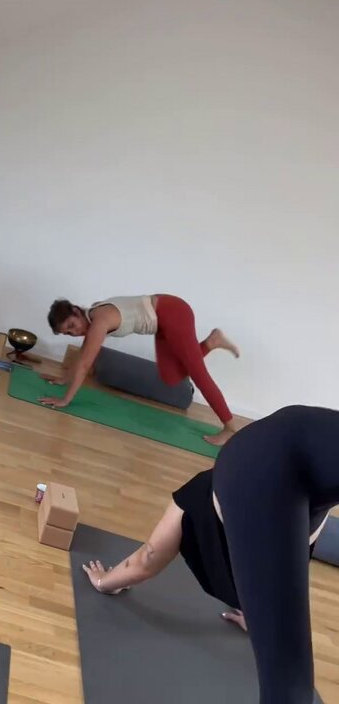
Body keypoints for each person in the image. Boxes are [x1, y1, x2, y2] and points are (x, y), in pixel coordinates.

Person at [82, 405, 337, 704]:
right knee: (289, 690)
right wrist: (104, 583)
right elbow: (146, 560)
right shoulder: (198, 497)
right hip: (276, 453)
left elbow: (147, 560)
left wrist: (106, 582)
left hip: (302, 457)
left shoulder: (281, 523)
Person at [42, 294, 239, 445]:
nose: (75, 332)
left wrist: (65, 400)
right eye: (69, 333)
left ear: (76, 311)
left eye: (72, 325)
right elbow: (83, 353)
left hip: (173, 312)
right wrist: (64, 379)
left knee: (199, 375)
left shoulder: (100, 320)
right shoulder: (92, 317)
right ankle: (211, 342)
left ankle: (230, 427)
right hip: (161, 323)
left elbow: (86, 363)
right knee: (170, 377)